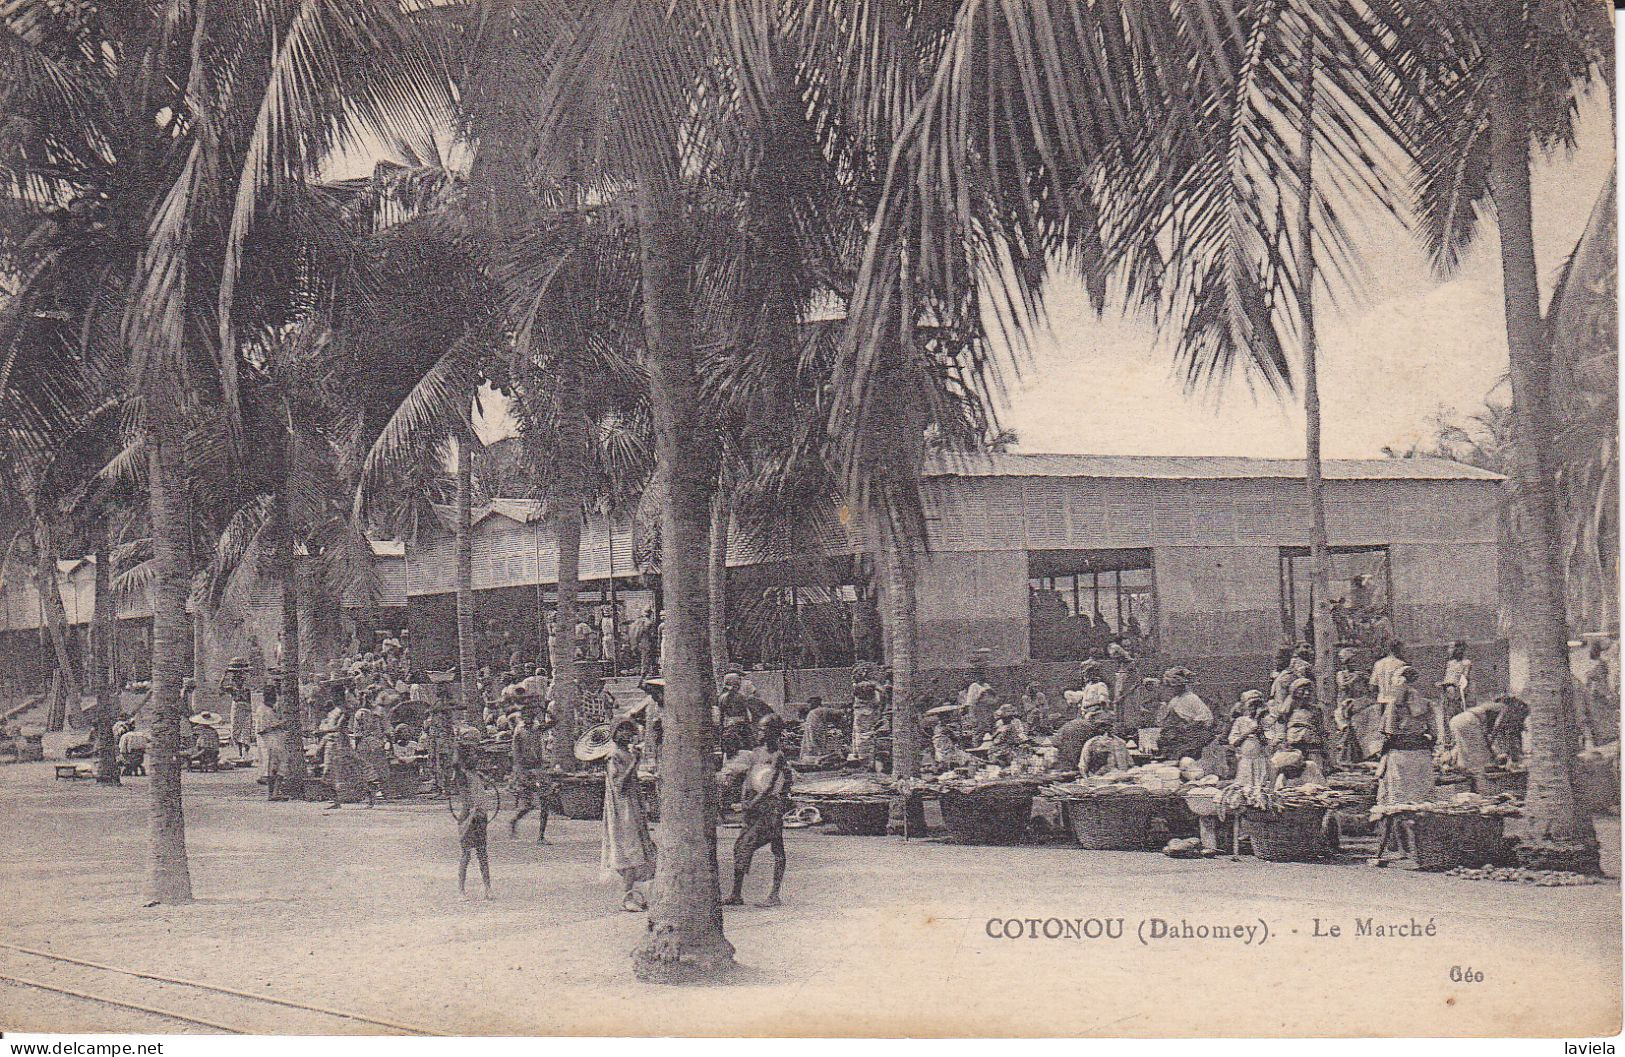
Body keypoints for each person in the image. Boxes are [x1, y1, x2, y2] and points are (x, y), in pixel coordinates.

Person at [723, 714, 792, 908]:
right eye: (759, 729)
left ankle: (774, 894)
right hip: (755, 807)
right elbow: (748, 780)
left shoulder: (777, 756)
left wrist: (750, 804)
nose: (760, 733)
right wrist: (745, 801)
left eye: (763, 730)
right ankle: (736, 894)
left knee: (774, 848)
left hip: (770, 807)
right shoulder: (756, 752)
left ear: (773, 732)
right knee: (741, 846)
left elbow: (770, 785)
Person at [1372, 665, 1436, 867]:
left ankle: (1391, 852)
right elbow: (1433, 734)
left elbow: (1388, 733)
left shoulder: (1394, 705)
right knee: (1421, 803)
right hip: (1421, 755)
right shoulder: (1425, 704)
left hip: (1400, 757)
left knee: (1393, 805)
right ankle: (1420, 851)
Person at [601, 719, 656, 912]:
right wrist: (634, 763)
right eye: (622, 731)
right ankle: (627, 895)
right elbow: (619, 785)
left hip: (632, 805)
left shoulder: (626, 754)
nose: (627, 734)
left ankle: (634, 893)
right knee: (629, 850)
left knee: (639, 849)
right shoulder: (614, 756)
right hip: (622, 808)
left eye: (629, 731)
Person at [509, 702, 557, 843]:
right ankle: (514, 821)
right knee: (529, 805)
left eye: (531, 714)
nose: (529, 716)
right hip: (526, 770)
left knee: (545, 801)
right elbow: (516, 754)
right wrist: (519, 773)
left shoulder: (537, 728)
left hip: (538, 768)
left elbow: (554, 722)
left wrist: (544, 709)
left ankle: (541, 836)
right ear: (523, 716)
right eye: (526, 714)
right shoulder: (519, 731)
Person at [451, 760, 496, 900]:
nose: (474, 759)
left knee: (482, 853)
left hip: (480, 816)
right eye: (470, 756)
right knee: (466, 854)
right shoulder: (461, 775)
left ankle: (488, 888)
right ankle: (461, 890)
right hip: (468, 817)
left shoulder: (477, 775)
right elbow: (455, 765)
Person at [1155, 668, 1214, 760]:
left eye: (1172, 686)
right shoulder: (1174, 700)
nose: (1170, 688)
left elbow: (1206, 718)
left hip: (1190, 738)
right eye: (1169, 686)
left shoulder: (1191, 698)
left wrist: (1186, 728)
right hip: (1175, 737)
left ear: (1180, 686)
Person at [1229, 690, 1270, 800]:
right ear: (1246, 707)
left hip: (1260, 761)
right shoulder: (1240, 721)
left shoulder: (1265, 722)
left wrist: (1260, 732)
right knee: (1244, 789)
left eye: (1257, 706)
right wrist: (1249, 732)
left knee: (1260, 788)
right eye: (1252, 706)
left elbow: (1267, 743)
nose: (1254, 709)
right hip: (1246, 761)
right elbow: (1234, 742)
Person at [1447, 699, 1503, 779]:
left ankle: (1466, 771)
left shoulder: (1490, 706)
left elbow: (1487, 733)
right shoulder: (1502, 708)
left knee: (1463, 749)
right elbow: (1494, 728)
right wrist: (1492, 751)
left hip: (1455, 720)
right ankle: (1479, 777)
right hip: (1469, 720)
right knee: (1477, 751)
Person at [1284, 678, 1329, 773]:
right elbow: (1282, 725)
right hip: (1294, 740)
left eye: (1309, 690)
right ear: (1295, 692)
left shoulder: (1315, 710)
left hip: (1312, 740)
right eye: (1303, 690)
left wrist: (1324, 744)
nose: (1307, 693)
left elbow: (1320, 728)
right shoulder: (1289, 709)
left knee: (1314, 762)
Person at [254, 685, 290, 801]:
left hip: (275, 739)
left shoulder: (269, 709)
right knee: (275, 766)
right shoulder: (263, 710)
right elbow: (262, 729)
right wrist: (278, 725)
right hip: (270, 740)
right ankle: (273, 792)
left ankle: (274, 792)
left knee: (277, 765)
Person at [1436, 640, 1472, 748]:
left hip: (1459, 696)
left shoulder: (1466, 663)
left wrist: (1450, 683)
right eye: (1449, 648)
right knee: (1446, 718)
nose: (1449, 650)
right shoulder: (1450, 663)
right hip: (1447, 694)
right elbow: (1448, 678)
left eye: (1452, 647)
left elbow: (1465, 679)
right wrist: (1444, 684)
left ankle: (1460, 742)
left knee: (1459, 718)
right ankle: (1448, 742)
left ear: (1459, 649)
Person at [1370, 640, 1408, 707]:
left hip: (1381, 701)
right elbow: (1404, 687)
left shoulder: (1378, 664)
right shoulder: (1401, 664)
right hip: (1396, 702)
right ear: (1398, 650)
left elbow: (1372, 686)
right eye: (1403, 650)